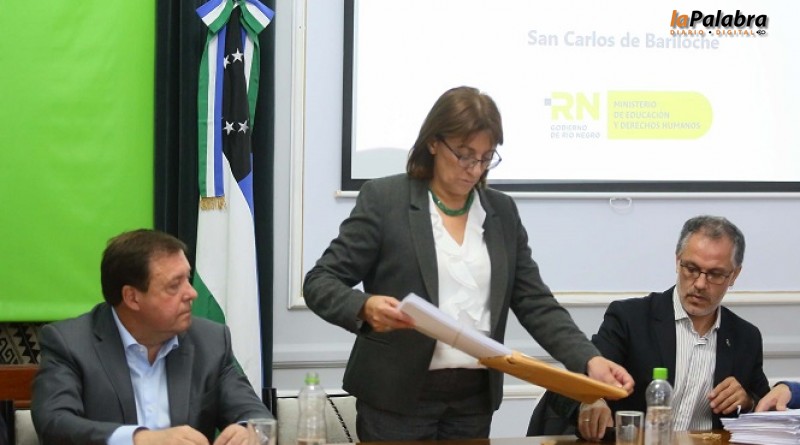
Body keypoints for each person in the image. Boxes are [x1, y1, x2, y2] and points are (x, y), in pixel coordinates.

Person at [303, 86, 633, 441]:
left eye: (486, 158)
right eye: (464, 155)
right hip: (396, 397)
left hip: (472, 401)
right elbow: (320, 281)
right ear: (434, 143)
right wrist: (364, 306)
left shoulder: (501, 212)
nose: (474, 169)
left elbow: (535, 302)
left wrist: (589, 361)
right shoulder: (385, 200)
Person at [537, 215, 770, 442]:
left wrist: (747, 402)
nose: (700, 283)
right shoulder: (630, 319)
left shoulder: (745, 337)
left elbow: (767, 407)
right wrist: (589, 401)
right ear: (677, 261)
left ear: (734, 275)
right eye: (691, 268)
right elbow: (571, 383)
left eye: (715, 274)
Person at [32, 229, 270, 445]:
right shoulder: (70, 343)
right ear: (132, 297)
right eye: (174, 286)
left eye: (187, 279)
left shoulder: (210, 341)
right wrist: (139, 439)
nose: (192, 293)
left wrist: (246, 431)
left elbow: (257, 416)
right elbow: (54, 424)